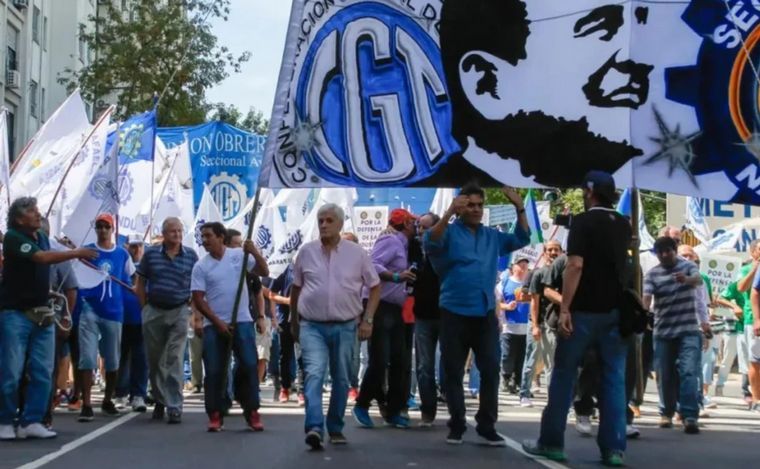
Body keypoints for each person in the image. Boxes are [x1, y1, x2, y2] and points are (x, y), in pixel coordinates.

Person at [523, 171, 632, 466]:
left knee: (563, 375)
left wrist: (566, 308)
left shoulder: (584, 222)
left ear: (588, 191)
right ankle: (613, 449)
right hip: (615, 312)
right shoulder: (624, 224)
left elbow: (575, 265)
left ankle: (552, 443)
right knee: (613, 380)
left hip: (583, 311)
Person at [424, 184, 529, 446]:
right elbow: (430, 241)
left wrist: (519, 206)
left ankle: (486, 425)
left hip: (484, 313)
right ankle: (457, 424)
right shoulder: (449, 232)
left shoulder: (491, 236)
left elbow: (523, 238)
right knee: (453, 372)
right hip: (454, 311)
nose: (476, 210)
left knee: (491, 368)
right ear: (461, 208)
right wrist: (449, 212)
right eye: (470, 205)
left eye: (480, 205)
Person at [0, 197, 97, 440]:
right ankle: (4, 419)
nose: (38, 214)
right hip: (16, 314)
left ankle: (31, 420)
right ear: (19, 218)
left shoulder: (41, 238)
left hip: (43, 312)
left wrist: (50, 292)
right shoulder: (13, 238)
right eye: (32, 211)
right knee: (12, 370)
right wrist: (77, 253)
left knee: (43, 370)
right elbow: (42, 259)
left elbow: (44, 260)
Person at [290, 203, 381, 450]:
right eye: (321, 220)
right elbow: (296, 288)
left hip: (345, 325)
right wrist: (293, 319)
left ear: (340, 224)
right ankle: (315, 427)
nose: (324, 225)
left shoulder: (357, 253)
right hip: (312, 325)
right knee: (314, 374)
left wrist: (368, 320)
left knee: (341, 378)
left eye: (329, 220)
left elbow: (374, 286)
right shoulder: (306, 252)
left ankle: (336, 427)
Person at [191, 222, 269, 432]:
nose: (205, 240)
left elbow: (263, 270)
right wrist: (217, 322)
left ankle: (251, 410)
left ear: (221, 237)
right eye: (203, 236)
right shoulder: (201, 266)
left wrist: (254, 252)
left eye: (208, 236)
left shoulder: (238, 256)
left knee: (249, 366)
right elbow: (198, 298)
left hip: (242, 321)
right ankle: (215, 413)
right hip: (214, 325)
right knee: (215, 369)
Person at [353, 208, 417, 429]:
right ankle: (362, 403)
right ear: (406, 224)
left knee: (400, 360)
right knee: (380, 360)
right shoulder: (391, 240)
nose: (416, 227)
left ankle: (393, 411)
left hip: (395, 308)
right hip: (379, 306)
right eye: (413, 223)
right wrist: (397, 276)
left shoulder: (404, 244)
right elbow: (373, 264)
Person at [136, 217, 199, 424]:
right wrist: (144, 307)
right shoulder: (151, 254)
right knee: (155, 361)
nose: (178, 235)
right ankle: (160, 399)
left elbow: (197, 286)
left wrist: (194, 312)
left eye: (180, 231)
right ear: (164, 234)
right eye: (173, 231)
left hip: (179, 310)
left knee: (174, 358)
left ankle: (174, 406)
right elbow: (141, 281)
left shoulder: (191, 255)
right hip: (154, 311)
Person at [644, 237, 708, 434]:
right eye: (660, 252)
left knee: (689, 372)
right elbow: (646, 299)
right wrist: (642, 314)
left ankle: (689, 416)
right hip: (663, 331)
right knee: (664, 374)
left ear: (675, 251)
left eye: (668, 251)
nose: (664, 255)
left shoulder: (688, 266)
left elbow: (698, 280)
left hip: (688, 330)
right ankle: (666, 412)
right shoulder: (652, 274)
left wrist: (686, 280)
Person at [77, 213, 136, 422]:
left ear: (112, 230)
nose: (103, 230)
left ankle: (108, 399)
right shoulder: (88, 252)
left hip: (113, 311)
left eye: (106, 227)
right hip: (90, 309)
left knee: (112, 359)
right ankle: (86, 404)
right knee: (87, 356)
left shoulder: (122, 254)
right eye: (99, 226)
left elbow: (131, 278)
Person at [520, 240, 563, 407]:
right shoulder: (537, 273)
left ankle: (552, 397)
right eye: (550, 250)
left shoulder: (563, 274)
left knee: (551, 363)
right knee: (531, 359)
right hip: (538, 322)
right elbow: (534, 301)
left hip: (553, 324)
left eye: (556, 250)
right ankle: (524, 393)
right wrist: (535, 325)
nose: (553, 253)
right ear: (544, 252)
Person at [411, 213, 442, 426]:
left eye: (424, 228)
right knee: (424, 366)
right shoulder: (413, 249)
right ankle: (428, 411)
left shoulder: (446, 250)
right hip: (423, 316)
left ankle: (455, 409)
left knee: (450, 365)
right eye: (418, 227)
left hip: (448, 314)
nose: (419, 231)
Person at [115, 235, 148, 413]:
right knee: (121, 357)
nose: (136, 250)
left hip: (141, 318)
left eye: (139, 246)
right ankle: (120, 393)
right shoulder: (121, 264)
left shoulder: (146, 266)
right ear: (127, 246)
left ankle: (139, 395)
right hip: (122, 318)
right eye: (133, 246)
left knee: (141, 358)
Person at [497, 258, 530, 394]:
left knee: (522, 357)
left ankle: (516, 382)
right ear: (514, 267)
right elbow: (497, 303)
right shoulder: (504, 283)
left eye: (525, 266)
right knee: (507, 356)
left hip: (526, 327)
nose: (523, 268)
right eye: (520, 265)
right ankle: (505, 378)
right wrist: (507, 306)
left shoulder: (530, 283)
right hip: (508, 326)